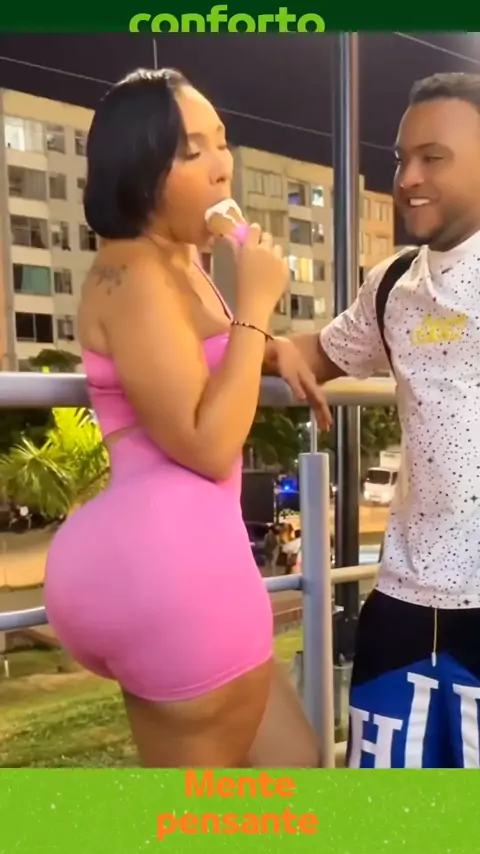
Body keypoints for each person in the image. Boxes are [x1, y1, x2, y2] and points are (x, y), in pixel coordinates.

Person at [44, 67, 331, 768]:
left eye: (221, 142)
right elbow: (206, 444)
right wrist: (256, 307)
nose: (220, 165)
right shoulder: (136, 275)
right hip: (172, 578)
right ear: (140, 172)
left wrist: (267, 349)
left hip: (173, 569)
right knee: (199, 817)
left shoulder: (179, 260)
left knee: (297, 767)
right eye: (191, 151)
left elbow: (195, 359)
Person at [290, 72, 480, 768]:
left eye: (433, 157)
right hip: (401, 602)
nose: (408, 178)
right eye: (402, 158)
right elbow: (310, 354)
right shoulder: (395, 283)